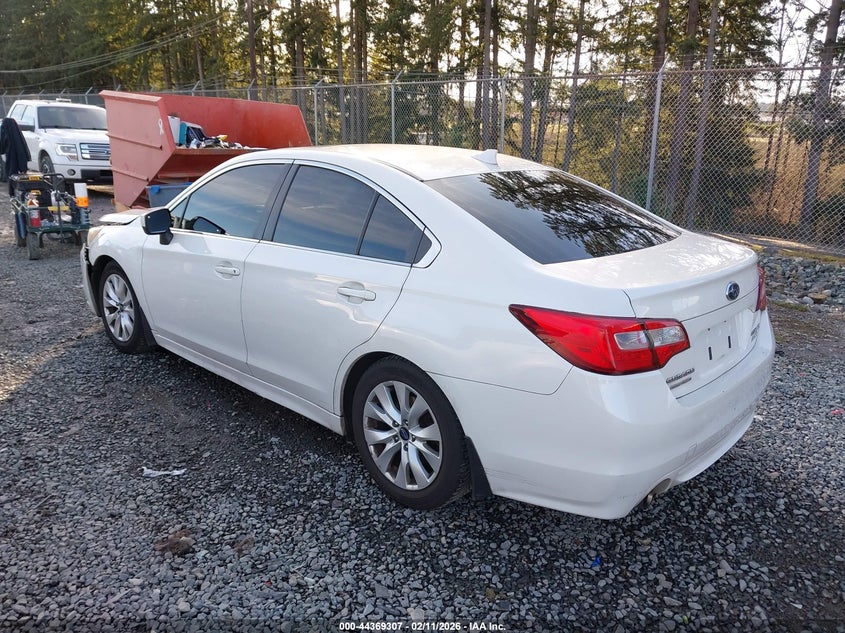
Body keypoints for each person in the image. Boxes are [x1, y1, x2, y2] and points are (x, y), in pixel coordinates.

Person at [0, 117, 31, 195]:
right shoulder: (17, 134)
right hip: (20, 159)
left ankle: (12, 194)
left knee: (11, 175)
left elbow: (2, 145)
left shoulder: (5, 129)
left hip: (11, 157)